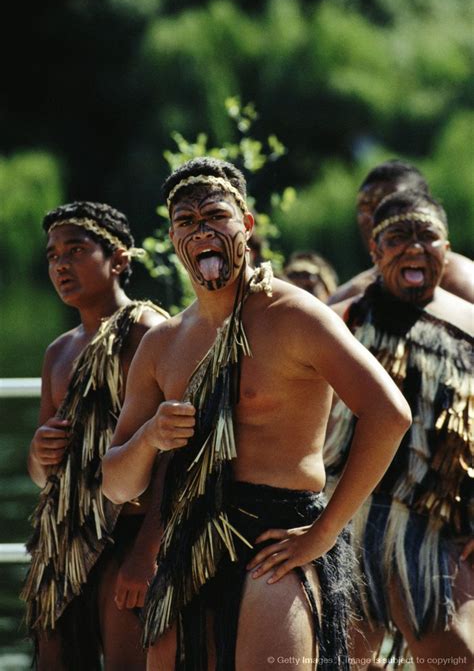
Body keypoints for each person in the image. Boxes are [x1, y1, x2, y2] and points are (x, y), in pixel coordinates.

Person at [101, 157, 411, 671]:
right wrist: (152, 436)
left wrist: (326, 530)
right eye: (186, 222)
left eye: (215, 215)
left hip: (276, 542)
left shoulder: (294, 316)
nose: (201, 230)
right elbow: (116, 483)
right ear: (174, 239)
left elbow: (389, 414)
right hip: (190, 547)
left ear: (246, 224)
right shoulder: (163, 344)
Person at [325, 189, 474, 669]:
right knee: (341, 659)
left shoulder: (470, 325)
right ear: (375, 252)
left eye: (426, 235)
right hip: (343, 524)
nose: (414, 247)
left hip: (434, 533)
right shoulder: (344, 320)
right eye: (398, 237)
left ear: (446, 249)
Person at [21, 202, 169, 671]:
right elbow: (41, 474)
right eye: (52, 255)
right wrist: (37, 451)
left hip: (129, 532)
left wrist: (147, 552)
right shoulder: (57, 352)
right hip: (63, 540)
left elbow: (177, 452)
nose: (60, 264)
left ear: (119, 260)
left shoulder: (148, 332)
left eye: (76, 250)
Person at [327, 160, 474, 305]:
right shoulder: (346, 299)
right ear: (374, 249)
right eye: (364, 208)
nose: (373, 218)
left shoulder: (462, 281)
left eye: (389, 206)